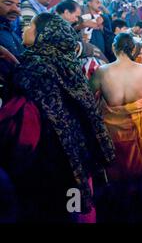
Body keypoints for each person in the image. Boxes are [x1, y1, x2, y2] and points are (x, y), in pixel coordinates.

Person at [12, 13, 115, 222]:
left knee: (54, 209)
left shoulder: (35, 66)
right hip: (77, 152)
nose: (24, 29)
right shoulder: (67, 62)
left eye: (30, 25)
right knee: (75, 207)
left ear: (45, 34)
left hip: (49, 156)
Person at [90, 33, 142, 182]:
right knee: (141, 161)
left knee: (119, 162)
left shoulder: (102, 71)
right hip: (139, 122)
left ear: (113, 47)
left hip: (114, 127)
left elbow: (88, 93)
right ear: (133, 49)